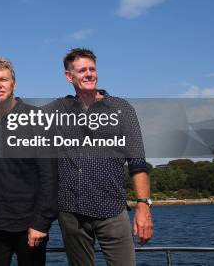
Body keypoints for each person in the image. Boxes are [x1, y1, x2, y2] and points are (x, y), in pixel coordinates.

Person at [56, 48, 153, 266]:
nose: (89, 74)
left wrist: (143, 207)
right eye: (82, 70)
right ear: (69, 76)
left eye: (92, 69)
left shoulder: (122, 109)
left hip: (113, 210)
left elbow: (137, 162)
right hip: (71, 213)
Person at [0, 57, 58, 266]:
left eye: (3, 79)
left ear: (13, 83)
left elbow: (50, 177)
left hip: (30, 226)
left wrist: (41, 223)